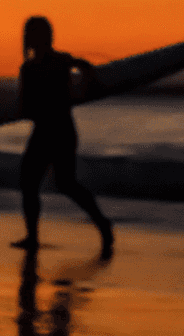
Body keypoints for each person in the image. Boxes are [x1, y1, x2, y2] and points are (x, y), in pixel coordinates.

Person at [12, 16, 113, 259]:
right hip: (61, 129)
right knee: (55, 183)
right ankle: (102, 225)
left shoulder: (37, 66)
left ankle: (35, 238)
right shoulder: (60, 61)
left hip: (51, 130)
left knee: (38, 183)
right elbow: (85, 66)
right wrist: (92, 82)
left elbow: (25, 106)